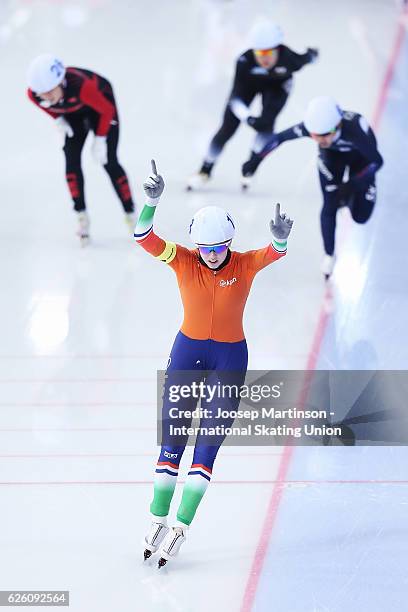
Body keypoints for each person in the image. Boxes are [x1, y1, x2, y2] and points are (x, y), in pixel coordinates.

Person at [135, 160, 293, 567]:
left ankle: (182, 525)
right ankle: (156, 517)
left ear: (230, 244)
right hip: (188, 352)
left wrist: (279, 242)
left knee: (207, 446)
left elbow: (272, 254)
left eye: (220, 248)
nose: (213, 256)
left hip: (228, 358)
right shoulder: (183, 259)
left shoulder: (242, 263)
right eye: (206, 249)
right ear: (196, 247)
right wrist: (151, 202)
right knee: (172, 441)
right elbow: (143, 237)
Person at [242, 96, 384, 278]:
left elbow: (376, 162)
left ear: (338, 125)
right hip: (332, 158)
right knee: (329, 204)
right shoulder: (313, 128)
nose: (321, 139)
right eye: (316, 135)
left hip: (362, 161)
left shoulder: (354, 131)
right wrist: (255, 160)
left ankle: (347, 199)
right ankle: (329, 254)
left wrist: (352, 185)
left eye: (325, 134)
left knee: (361, 216)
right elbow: (279, 138)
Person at [187, 21, 318, 191]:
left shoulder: (290, 59)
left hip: (278, 88)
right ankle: (205, 170)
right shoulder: (244, 61)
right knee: (227, 128)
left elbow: (306, 58)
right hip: (248, 86)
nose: (264, 57)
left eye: (268, 52)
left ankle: (251, 166)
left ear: (278, 48)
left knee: (266, 125)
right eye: (259, 52)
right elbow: (235, 99)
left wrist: (312, 55)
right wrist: (247, 118)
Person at [27, 54, 137, 245]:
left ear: (61, 82)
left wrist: (101, 138)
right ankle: (82, 216)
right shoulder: (34, 94)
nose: (47, 98)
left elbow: (107, 110)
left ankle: (131, 215)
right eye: (42, 95)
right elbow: (45, 104)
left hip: (101, 109)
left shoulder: (83, 87)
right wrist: (58, 117)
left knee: (109, 161)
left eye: (51, 93)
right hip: (73, 114)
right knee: (71, 160)